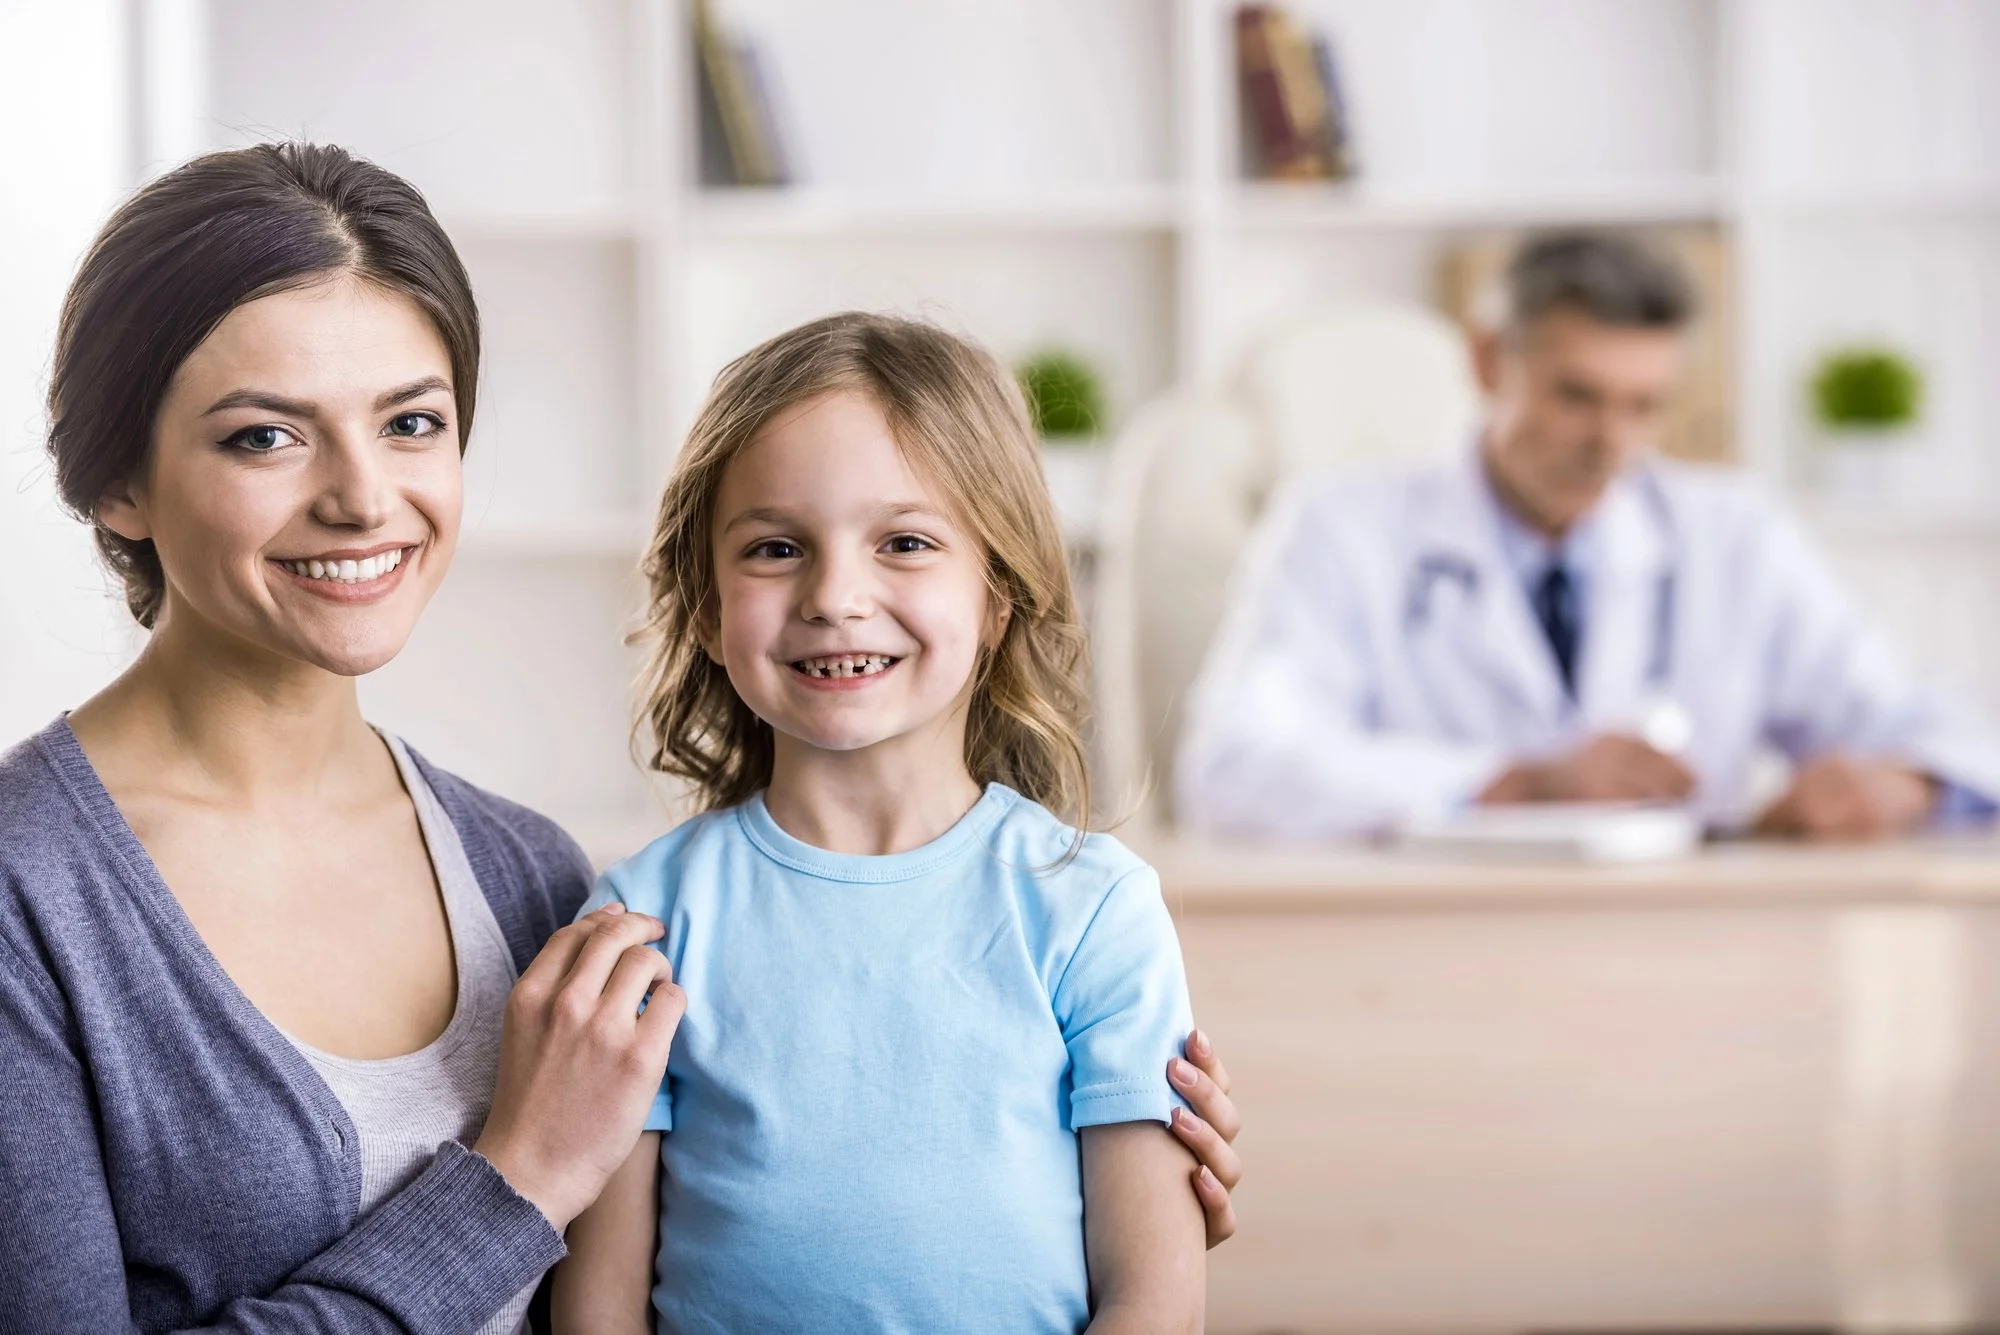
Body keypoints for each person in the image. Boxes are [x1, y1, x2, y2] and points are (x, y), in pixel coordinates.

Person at [0, 144, 1242, 1334]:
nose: (363, 497)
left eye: (411, 422)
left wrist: (1077, 1202)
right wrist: (516, 1181)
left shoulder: (532, 882)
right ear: (116, 481)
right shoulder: (29, 895)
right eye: (263, 435)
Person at [551, 314, 1207, 1334]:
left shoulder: (1094, 910)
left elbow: (1153, 1301)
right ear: (707, 606)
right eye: (775, 548)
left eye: (904, 543)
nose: (836, 596)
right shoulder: (644, 918)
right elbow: (599, 1309)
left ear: (998, 595)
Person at [1176, 231, 2000, 841]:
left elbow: (1944, 728)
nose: (1612, 443)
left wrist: (1909, 783)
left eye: (1644, 405)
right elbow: (1234, 768)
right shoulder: (1341, 527)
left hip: (1682, 949)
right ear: (1489, 362)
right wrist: (1511, 783)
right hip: (1431, 950)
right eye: (1577, 397)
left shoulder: (1734, 534)